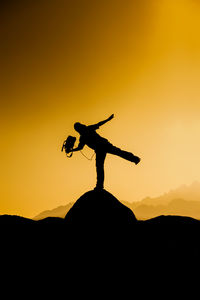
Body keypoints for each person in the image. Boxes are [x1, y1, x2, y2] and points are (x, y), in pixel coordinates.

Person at [72, 114, 141, 190]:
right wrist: (72, 150)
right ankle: (135, 159)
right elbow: (80, 147)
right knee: (108, 160)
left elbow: (99, 124)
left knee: (102, 165)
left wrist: (108, 119)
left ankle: (99, 186)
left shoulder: (87, 131)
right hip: (101, 148)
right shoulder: (84, 135)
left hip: (103, 146)